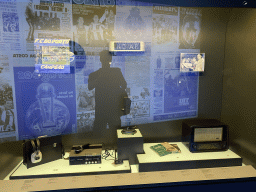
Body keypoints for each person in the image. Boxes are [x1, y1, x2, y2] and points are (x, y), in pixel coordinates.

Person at [88, 50, 127, 144]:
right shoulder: (98, 74)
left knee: (109, 137)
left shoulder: (114, 72)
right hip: (107, 110)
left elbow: (124, 85)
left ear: (100, 59)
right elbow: (90, 87)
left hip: (107, 110)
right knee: (105, 137)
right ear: (110, 59)